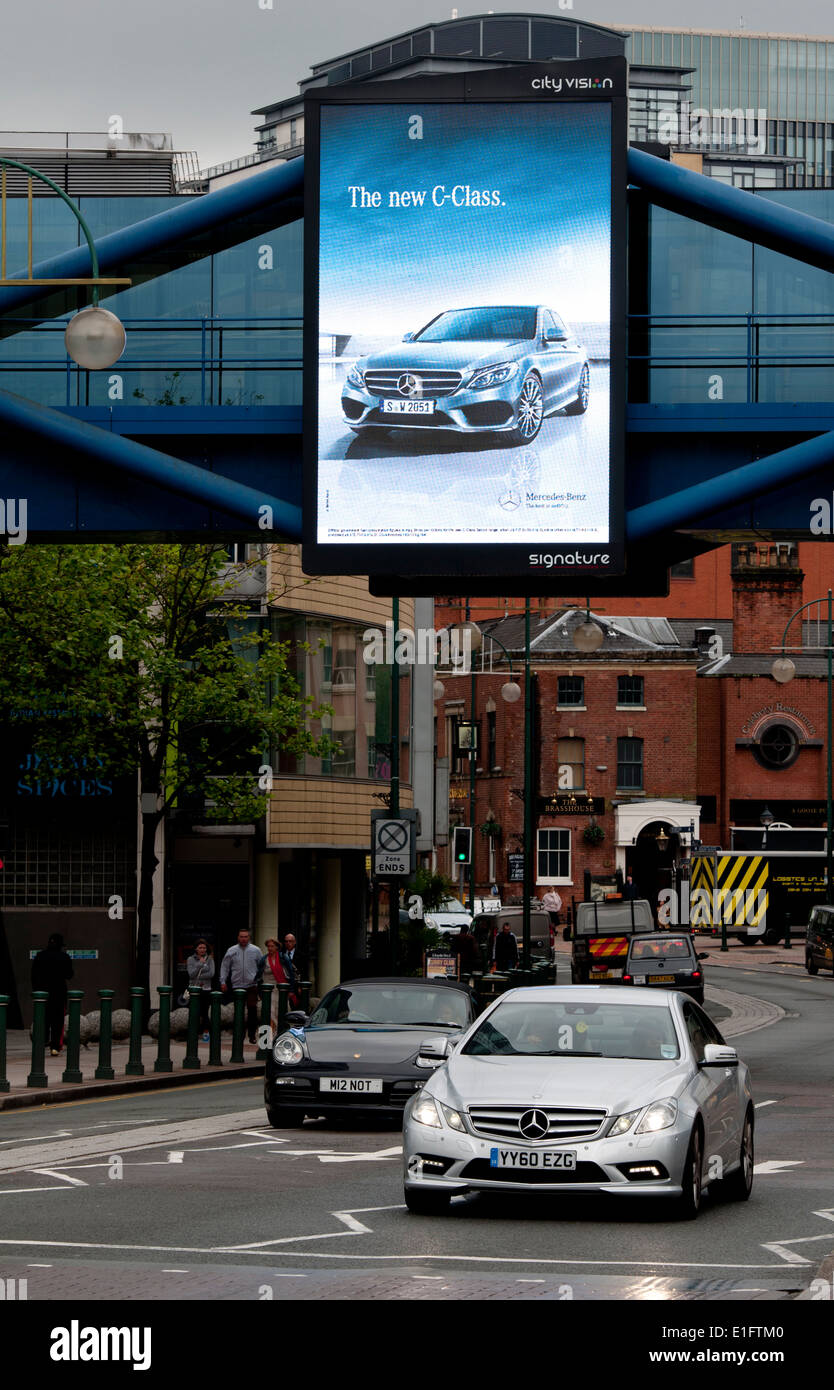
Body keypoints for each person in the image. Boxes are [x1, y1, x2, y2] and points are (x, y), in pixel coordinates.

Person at [31, 933, 74, 1056]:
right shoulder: (64, 957)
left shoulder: (39, 956)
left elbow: (33, 976)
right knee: (57, 1021)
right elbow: (69, 975)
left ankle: (41, 1043)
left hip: (42, 995)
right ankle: (55, 1047)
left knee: (42, 1019)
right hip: (58, 993)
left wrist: (36, 991)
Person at [219, 928, 264, 1044]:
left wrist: (258, 979)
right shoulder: (231, 950)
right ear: (238, 938)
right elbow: (225, 967)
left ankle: (252, 1034)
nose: (243, 939)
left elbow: (262, 966)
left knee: (252, 1010)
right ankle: (240, 1033)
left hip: (251, 985)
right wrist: (223, 981)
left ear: (249, 938)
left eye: (245, 937)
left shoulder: (256, 950)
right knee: (239, 1011)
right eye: (241, 937)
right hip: (237, 985)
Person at [185, 940, 215, 1041]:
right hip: (194, 989)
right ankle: (193, 1033)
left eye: (204, 948)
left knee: (205, 1012)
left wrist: (200, 972)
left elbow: (211, 974)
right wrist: (200, 964)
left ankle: (206, 1033)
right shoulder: (190, 959)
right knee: (194, 1012)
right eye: (200, 948)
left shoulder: (210, 959)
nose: (202, 950)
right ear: (196, 949)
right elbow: (191, 974)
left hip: (206, 989)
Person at [261, 938, 291, 1033]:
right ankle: (271, 1035)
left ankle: (282, 1032)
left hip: (281, 989)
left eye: (272, 946)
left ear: (277, 947)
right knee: (270, 1012)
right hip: (269, 990)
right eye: (268, 946)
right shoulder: (264, 959)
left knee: (282, 1011)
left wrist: (292, 989)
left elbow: (290, 974)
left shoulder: (283, 958)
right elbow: (259, 974)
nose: (270, 948)